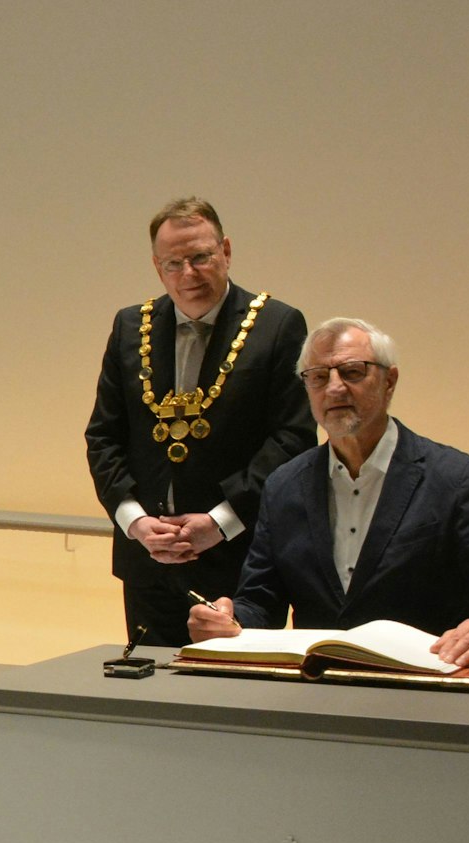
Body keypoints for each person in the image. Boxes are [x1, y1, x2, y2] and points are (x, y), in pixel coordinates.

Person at [188, 318, 469, 665]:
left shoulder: (456, 478)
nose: (335, 388)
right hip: (315, 693)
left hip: (426, 694)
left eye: (353, 372)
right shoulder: (284, 485)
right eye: (319, 377)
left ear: (390, 381)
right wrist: (228, 621)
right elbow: (260, 602)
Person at [85, 197, 314, 647]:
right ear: (157, 267)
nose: (188, 274)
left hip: (240, 558)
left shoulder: (278, 325)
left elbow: (293, 439)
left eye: (201, 257)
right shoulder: (130, 326)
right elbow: (103, 436)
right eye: (174, 263)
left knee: (232, 699)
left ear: (226, 251)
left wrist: (220, 521)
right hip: (149, 558)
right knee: (156, 696)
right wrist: (134, 522)